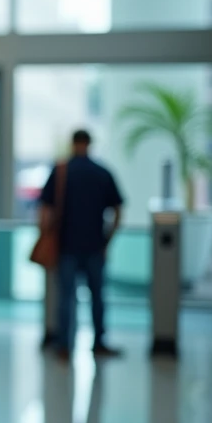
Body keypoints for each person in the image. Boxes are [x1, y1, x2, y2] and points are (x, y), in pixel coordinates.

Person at [39, 129, 124, 361]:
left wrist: (45, 234)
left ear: (73, 143)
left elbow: (45, 209)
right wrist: (108, 241)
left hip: (66, 246)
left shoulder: (60, 172)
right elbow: (117, 210)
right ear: (89, 144)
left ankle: (64, 346)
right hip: (95, 246)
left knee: (66, 297)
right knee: (97, 297)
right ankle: (98, 343)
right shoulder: (102, 173)